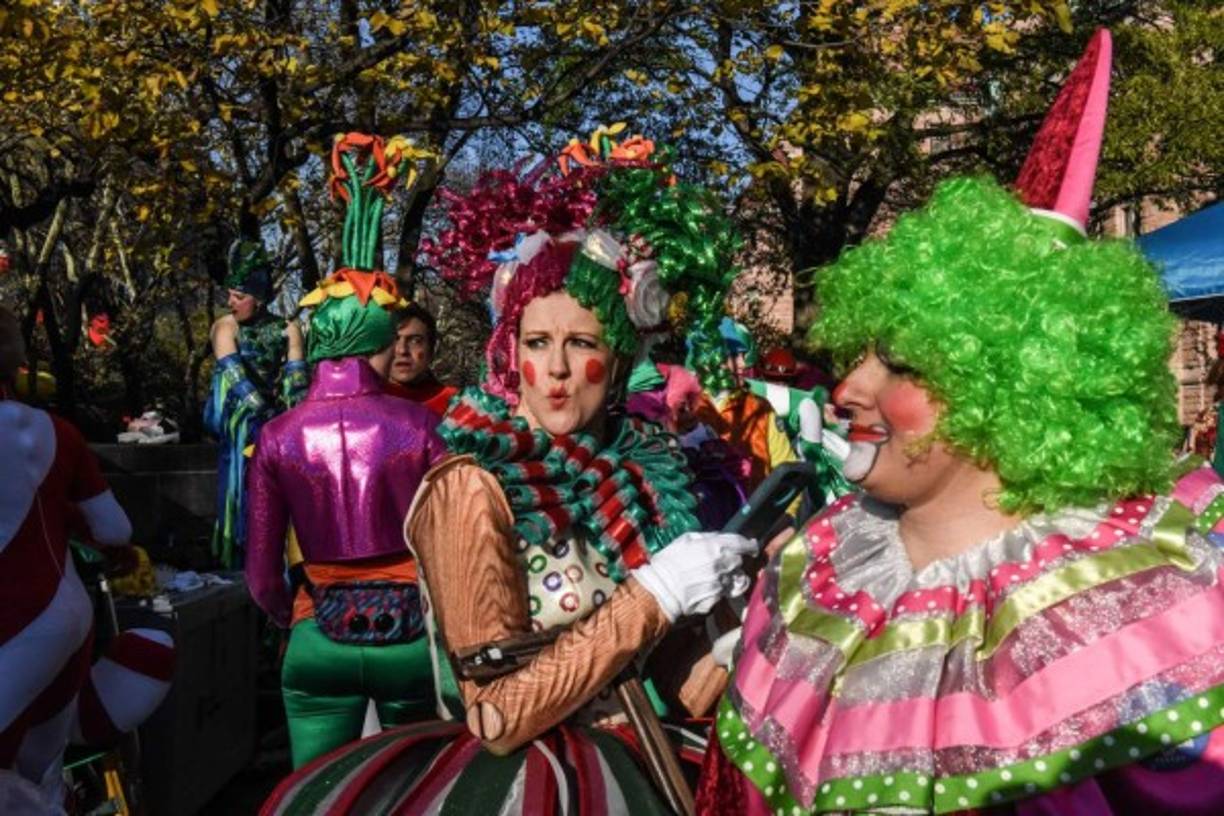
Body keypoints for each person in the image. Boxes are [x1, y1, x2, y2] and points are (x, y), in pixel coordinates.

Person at [699, 30, 1224, 814]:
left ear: (1018, 389)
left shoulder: (1155, 601)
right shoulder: (817, 575)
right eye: (862, 353)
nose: (848, 387)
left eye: (901, 364)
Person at [261, 127, 756, 813]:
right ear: (509, 351)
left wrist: (739, 634)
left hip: (634, 762)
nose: (553, 371)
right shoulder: (474, 482)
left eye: (579, 343)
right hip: (521, 785)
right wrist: (654, 599)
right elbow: (495, 715)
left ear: (617, 362)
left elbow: (658, 684)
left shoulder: (638, 467)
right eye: (536, 342)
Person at [244, 133, 446, 770]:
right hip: (410, 635)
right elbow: (452, 541)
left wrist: (297, 616)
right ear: (380, 340)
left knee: (312, 788)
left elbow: (260, 574)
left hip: (317, 631)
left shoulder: (276, 435)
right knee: (413, 785)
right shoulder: (419, 426)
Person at [0, 305, 174, 813]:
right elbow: (114, 528)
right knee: (41, 763)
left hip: (17, 625)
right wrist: (64, 511)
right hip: (61, 618)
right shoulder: (58, 432)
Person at [205, 240, 309, 567]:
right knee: (241, 489)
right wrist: (263, 414)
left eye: (239, 296)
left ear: (259, 298)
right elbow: (234, 375)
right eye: (230, 295)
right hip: (240, 421)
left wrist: (297, 421)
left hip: (276, 423)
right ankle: (239, 556)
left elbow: (297, 380)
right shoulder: (226, 326)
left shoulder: (289, 329)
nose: (230, 302)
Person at [691, 317, 797, 495]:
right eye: (732, 355)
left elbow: (787, 471)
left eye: (742, 355)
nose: (742, 363)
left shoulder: (759, 408)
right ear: (709, 360)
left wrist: (785, 517)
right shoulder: (687, 409)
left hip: (757, 518)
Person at [385, 303, 457, 416]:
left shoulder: (454, 405)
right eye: (394, 340)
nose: (402, 350)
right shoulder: (361, 399)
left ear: (431, 349)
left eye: (415, 341)